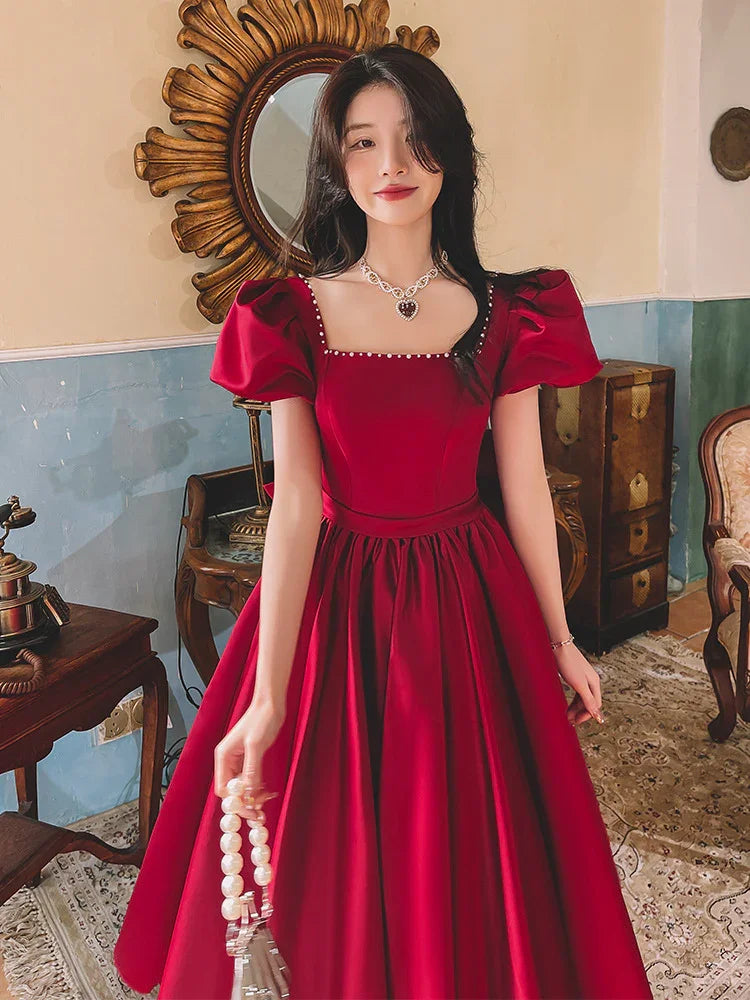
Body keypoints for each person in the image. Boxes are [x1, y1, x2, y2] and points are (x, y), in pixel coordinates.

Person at [114, 43, 653, 1000]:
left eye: (412, 140)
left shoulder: (503, 312)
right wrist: (269, 691)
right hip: (341, 603)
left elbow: (524, 487)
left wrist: (562, 637)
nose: (392, 165)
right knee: (333, 858)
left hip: (466, 597)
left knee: (474, 846)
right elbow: (291, 518)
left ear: (448, 155)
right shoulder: (292, 314)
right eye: (363, 143)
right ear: (337, 165)